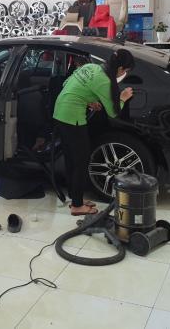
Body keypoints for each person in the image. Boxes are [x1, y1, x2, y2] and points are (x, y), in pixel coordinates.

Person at [53, 49, 135, 216]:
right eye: (125, 71)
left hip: (60, 111)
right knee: (81, 161)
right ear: (120, 68)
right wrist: (123, 97)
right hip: (72, 118)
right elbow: (113, 112)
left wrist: (88, 100)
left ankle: (75, 198)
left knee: (71, 159)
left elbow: (67, 83)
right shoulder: (104, 81)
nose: (124, 74)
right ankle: (77, 206)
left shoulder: (91, 67)